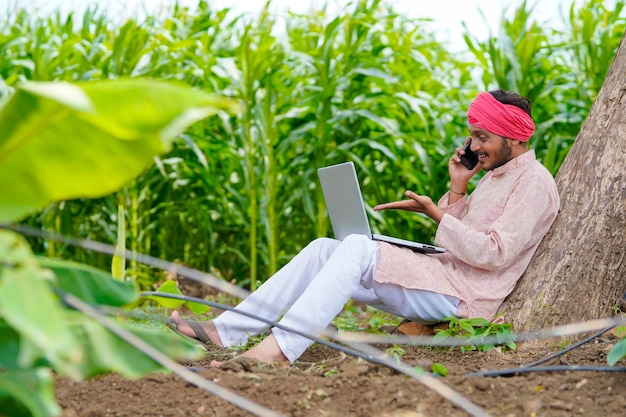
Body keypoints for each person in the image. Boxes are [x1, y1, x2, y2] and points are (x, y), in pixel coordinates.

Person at [168, 89, 560, 365]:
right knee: (326, 247)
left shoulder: (534, 182)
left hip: (466, 296)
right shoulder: (495, 176)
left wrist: (435, 214)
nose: (473, 147)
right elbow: (464, 240)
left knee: (356, 246)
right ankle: (226, 331)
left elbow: (492, 254)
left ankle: (279, 351)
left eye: (482, 137)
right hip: (443, 278)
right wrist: (458, 185)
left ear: (514, 135)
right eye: (473, 137)